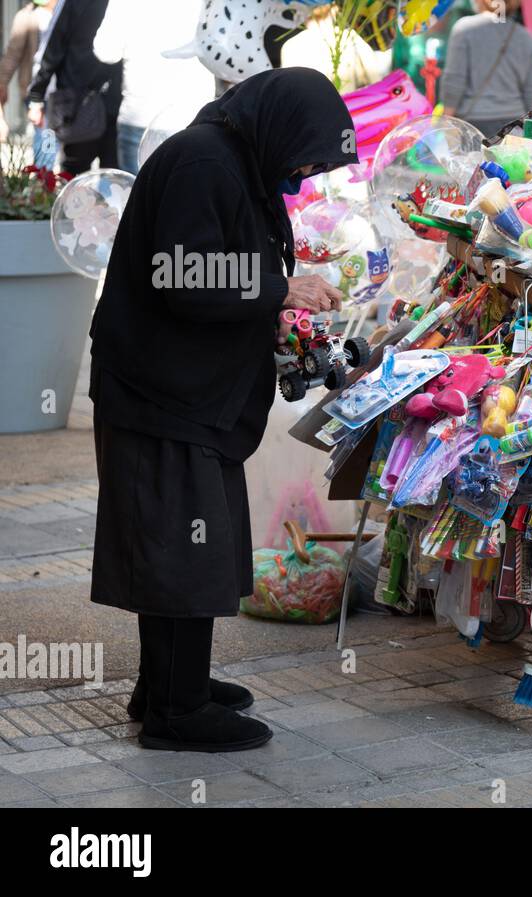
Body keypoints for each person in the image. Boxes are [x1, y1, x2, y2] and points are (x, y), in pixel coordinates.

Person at [89, 68, 357, 753]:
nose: (303, 171)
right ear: (279, 128)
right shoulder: (202, 161)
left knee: (187, 549)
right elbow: (181, 272)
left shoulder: (237, 161)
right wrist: (280, 288)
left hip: (188, 396)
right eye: (306, 156)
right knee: (183, 553)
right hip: (161, 395)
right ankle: (176, 713)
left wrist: (277, 304)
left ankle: (171, 685)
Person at [91, 0, 216, 174]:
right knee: (189, 195)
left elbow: (106, 50)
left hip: (141, 113)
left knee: (141, 197)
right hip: (194, 113)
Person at [27, 0, 121, 174]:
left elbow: (53, 50)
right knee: (114, 179)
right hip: (108, 102)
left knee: (73, 175)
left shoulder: (73, 3)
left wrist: (36, 96)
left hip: (77, 103)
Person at [439, 0, 532, 138]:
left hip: (473, 124)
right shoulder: (525, 37)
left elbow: (454, 81)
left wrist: (446, 123)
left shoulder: (465, 29)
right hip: (515, 126)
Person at [281, 3, 388, 94]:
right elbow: (375, 80)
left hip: (312, 116)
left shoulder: (290, 46)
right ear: (335, 9)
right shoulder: (350, 37)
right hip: (348, 112)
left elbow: (288, 92)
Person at [0, 0, 55, 141]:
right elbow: (12, 54)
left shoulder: (65, 12)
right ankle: (44, 163)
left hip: (62, 90)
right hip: (36, 90)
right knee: (46, 139)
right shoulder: (27, 17)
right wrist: (2, 82)